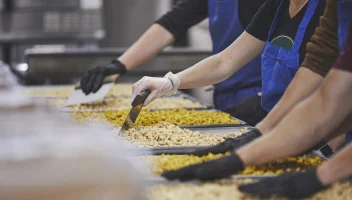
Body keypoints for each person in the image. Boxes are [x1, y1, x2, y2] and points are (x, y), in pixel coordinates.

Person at [162, 20, 352, 198]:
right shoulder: (328, 11)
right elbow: (327, 100)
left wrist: (325, 172)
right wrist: (242, 156)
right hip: (293, 128)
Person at [132, 0, 326, 125]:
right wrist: (170, 83)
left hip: (314, 128)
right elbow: (224, 62)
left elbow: (334, 88)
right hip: (277, 124)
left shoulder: (329, 11)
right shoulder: (276, 6)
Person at [80, 0, 265, 113]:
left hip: (262, 98)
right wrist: (119, 65)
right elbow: (173, 23)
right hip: (227, 94)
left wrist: (265, 97)